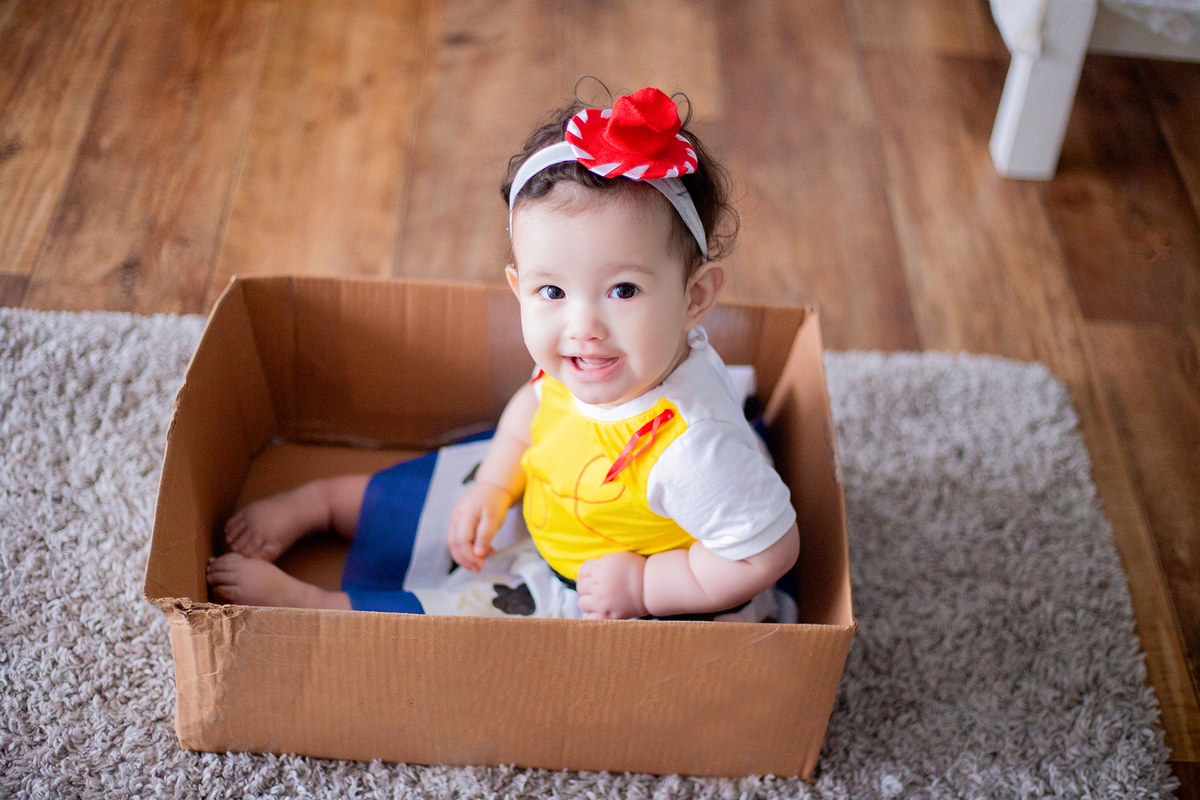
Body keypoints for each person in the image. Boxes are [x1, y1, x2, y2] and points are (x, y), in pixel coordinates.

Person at [208, 86, 800, 621]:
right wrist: (494, 486)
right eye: (553, 291)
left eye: (623, 290)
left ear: (694, 297)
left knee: (468, 623)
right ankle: (325, 501)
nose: (582, 325)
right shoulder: (597, 362)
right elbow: (532, 408)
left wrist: (648, 584)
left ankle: (323, 606)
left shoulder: (695, 450)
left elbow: (765, 553)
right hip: (549, 504)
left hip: (597, 583)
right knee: (444, 492)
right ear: (520, 289)